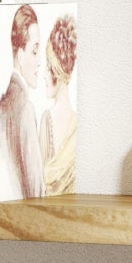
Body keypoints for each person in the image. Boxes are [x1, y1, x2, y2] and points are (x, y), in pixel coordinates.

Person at [0, 4, 45, 200]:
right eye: (35, 51)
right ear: (20, 55)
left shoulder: (0, 107)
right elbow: (37, 191)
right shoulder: (25, 109)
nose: (40, 61)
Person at [43, 11, 77, 195]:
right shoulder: (48, 120)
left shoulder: (49, 120)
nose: (44, 75)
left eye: (48, 67)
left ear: (56, 70)